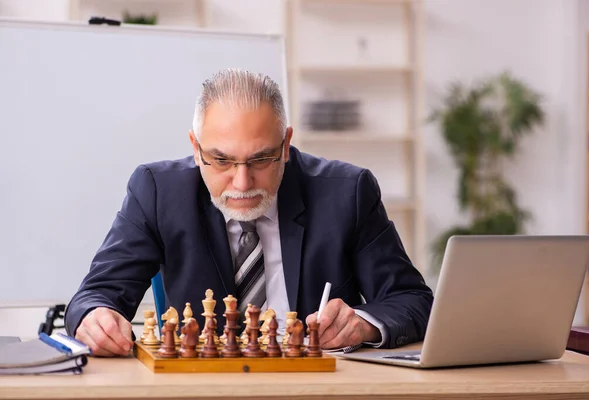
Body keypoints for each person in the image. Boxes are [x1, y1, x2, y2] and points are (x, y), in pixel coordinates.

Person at [64, 68, 434, 357]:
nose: (241, 183)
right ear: (196, 149)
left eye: (260, 159)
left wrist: (364, 323)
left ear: (286, 145)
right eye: (221, 160)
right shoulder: (157, 191)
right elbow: (95, 295)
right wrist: (94, 318)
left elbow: (414, 301)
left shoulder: (347, 192)